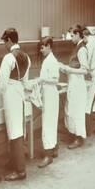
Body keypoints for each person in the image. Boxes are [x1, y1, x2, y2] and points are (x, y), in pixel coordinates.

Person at [0, 28, 31, 181]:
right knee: (18, 130)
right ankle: (14, 161)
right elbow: (25, 82)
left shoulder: (8, 58)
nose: (4, 44)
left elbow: (2, 85)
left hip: (10, 95)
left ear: (9, 40)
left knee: (14, 133)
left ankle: (20, 171)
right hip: (20, 93)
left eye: (4, 41)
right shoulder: (27, 57)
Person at [60, 26, 89, 149]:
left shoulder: (82, 50)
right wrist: (64, 68)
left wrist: (68, 69)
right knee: (70, 110)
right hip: (73, 82)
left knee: (76, 112)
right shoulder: (76, 48)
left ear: (78, 34)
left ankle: (79, 138)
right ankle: (73, 134)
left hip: (78, 84)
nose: (71, 38)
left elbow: (84, 70)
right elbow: (74, 66)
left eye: (72, 36)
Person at [37, 36, 60, 167]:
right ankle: (54, 149)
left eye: (43, 47)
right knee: (50, 123)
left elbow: (55, 79)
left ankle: (48, 155)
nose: (41, 50)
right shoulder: (47, 60)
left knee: (48, 124)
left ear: (49, 46)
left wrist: (42, 80)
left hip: (50, 94)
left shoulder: (52, 61)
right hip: (47, 93)